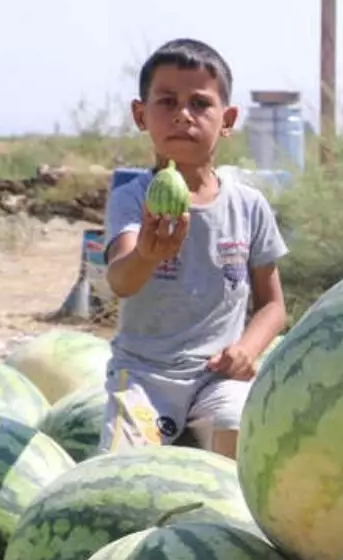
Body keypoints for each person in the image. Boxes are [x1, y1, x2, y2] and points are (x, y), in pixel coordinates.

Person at [99, 38, 288, 460]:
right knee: (119, 474)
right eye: (166, 101)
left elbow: (273, 305)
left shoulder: (248, 205)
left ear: (228, 119)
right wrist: (147, 256)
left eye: (200, 104)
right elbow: (121, 281)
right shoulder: (134, 199)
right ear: (140, 115)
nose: (183, 115)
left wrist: (247, 350)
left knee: (242, 442)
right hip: (144, 375)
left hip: (216, 376)